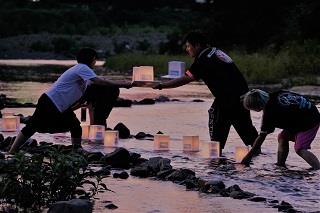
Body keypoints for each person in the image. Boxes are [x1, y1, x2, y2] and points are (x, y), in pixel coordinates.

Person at [152, 31, 258, 154]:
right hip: (243, 97)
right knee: (250, 135)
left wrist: (161, 85)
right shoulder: (216, 51)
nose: (187, 49)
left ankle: (216, 167)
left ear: (197, 45)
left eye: (188, 46)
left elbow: (186, 78)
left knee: (216, 141)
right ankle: (258, 162)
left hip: (226, 99)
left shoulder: (202, 60)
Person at [9, 47, 132, 153]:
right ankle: (12, 151)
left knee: (75, 125)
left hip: (60, 105)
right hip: (50, 101)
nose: (95, 62)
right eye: (95, 59)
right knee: (32, 126)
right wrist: (123, 83)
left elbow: (96, 85)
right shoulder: (82, 68)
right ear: (92, 59)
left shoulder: (82, 72)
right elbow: (99, 81)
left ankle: (77, 149)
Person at [241, 89, 320, 170]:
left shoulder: (270, 113)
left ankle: (318, 169)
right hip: (304, 114)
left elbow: (261, 137)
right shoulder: (276, 93)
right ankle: (280, 165)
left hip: (310, 121)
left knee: (300, 149)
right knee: (282, 137)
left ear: (257, 106)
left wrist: (249, 156)